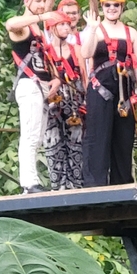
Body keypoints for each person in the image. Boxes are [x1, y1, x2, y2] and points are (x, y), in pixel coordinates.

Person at [80, 0, 137, 187]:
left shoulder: (131, 33)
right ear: (102, 6)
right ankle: (95, 183)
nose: (112, 8)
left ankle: (122, 182)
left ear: (121, 7)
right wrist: (92, 28)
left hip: (124, 91)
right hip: (101, 89)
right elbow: (86, 53)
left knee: (123, 138)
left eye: (115, 5)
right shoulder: (96, 29)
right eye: (108, 5)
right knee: (98, 137)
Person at [5, 0, 62, 194]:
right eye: (38, 1)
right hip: (28, 85)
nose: (41, 5)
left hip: (42, 85)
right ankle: (28, 183)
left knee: (38, 135)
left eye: (44, 1)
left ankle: (33, 180)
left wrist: (55, 78)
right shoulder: (23, 27)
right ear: (28, 1)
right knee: (29, 134)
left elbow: (43, 59)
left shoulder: (36, 29)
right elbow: (10, 24)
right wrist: (41, 15)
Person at [43, 12, 86, 189]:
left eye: (67, 25)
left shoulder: (76, 49)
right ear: (52, 28)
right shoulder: (46, 51)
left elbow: (84, 76)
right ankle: (57, 186)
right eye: (61, 25)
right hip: (54, 102)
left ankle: (76, 185)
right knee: (54, 143)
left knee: (76, 144)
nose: (66, 28)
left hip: (75, 100)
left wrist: (86, 101)